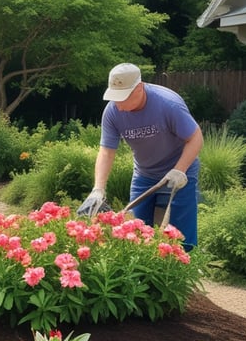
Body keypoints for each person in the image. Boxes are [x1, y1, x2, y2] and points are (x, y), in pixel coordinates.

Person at [77, 63, 203, 249]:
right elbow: (106, 151)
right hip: (144, 175)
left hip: (180, 172)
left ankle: (186, 269)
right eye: (115, 98)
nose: (118, 105)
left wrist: (179, 170)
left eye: (123, 98)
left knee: (181, 234)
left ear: (139, 88)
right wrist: (98, 189)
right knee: (135, 232)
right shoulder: (112, 112)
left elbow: (195, 137)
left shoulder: (168, 104)